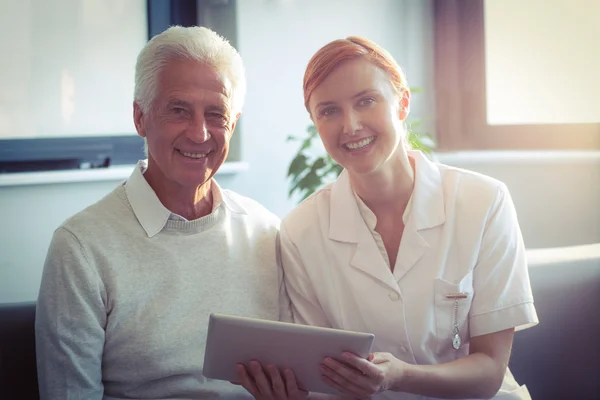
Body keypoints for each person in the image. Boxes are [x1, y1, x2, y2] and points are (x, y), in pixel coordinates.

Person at [238, 36, 539, 400]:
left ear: (402, 103)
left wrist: (399, 377)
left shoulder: (484, 201)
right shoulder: (301, 231)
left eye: (366, 101)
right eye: (329, 111)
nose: (350, 126)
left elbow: (489, 370)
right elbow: (320, 378)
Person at [35, 26, 291, 400]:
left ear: (232, 123)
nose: (200, 133)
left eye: (216, 113)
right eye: (179, 110)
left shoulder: (267, 232)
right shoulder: (81, 248)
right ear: (140, 118)